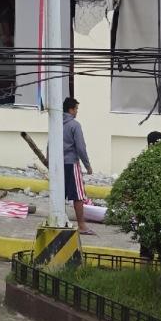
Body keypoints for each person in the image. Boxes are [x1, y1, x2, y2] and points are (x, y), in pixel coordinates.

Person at [63, 97, 95, 235]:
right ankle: (82, 225)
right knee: (78, 196)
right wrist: (87, 165)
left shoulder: (56, 123)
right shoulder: (75, 125)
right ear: (71, 110)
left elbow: (49, 143)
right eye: (76, 109)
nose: (77, 112)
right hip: (71, 163)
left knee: (60, 194)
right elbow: (81, 147)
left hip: (59, 164)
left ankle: (61, 221)